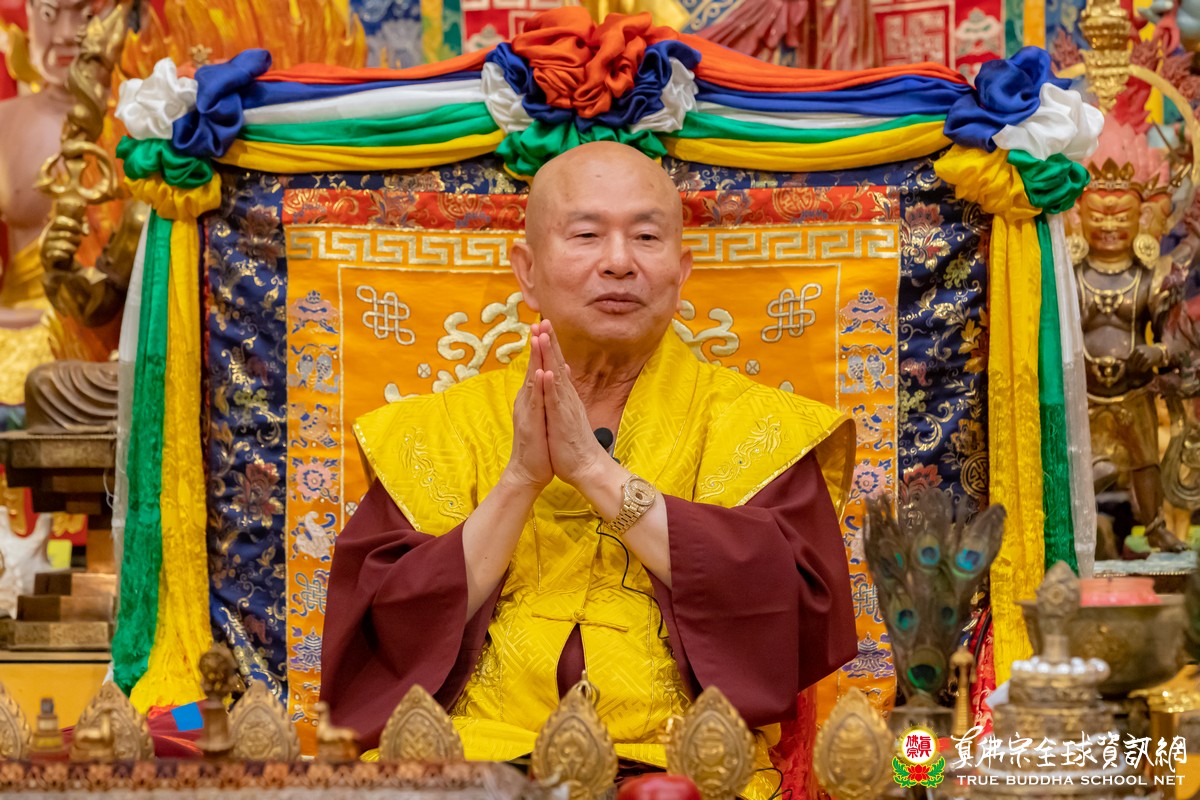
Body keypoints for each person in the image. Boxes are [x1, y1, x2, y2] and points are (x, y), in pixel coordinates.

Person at [321, 142, 857, 798]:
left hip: (684, 763)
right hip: (467, 758)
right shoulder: (435, 429)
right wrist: (520, 481)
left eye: (646, 237)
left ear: (681, 270)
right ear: (527, 271)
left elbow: (793, 611)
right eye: (585, 235)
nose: (619, 261)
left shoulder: (760, 429)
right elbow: (382, 624)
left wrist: (594, 473)